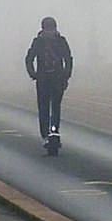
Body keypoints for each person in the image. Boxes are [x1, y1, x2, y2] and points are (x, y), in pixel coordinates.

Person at [25, 16, 74, 150]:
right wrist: (66, 75)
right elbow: (68, 59)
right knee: (56, 107)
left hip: (43, 80)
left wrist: (33, 74)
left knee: (44, 108)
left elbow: (29, 59)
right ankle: (55, 131)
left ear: (42, 27)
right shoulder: (61, 41)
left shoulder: (38, 41)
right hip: (58, 79)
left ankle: (46, 134)